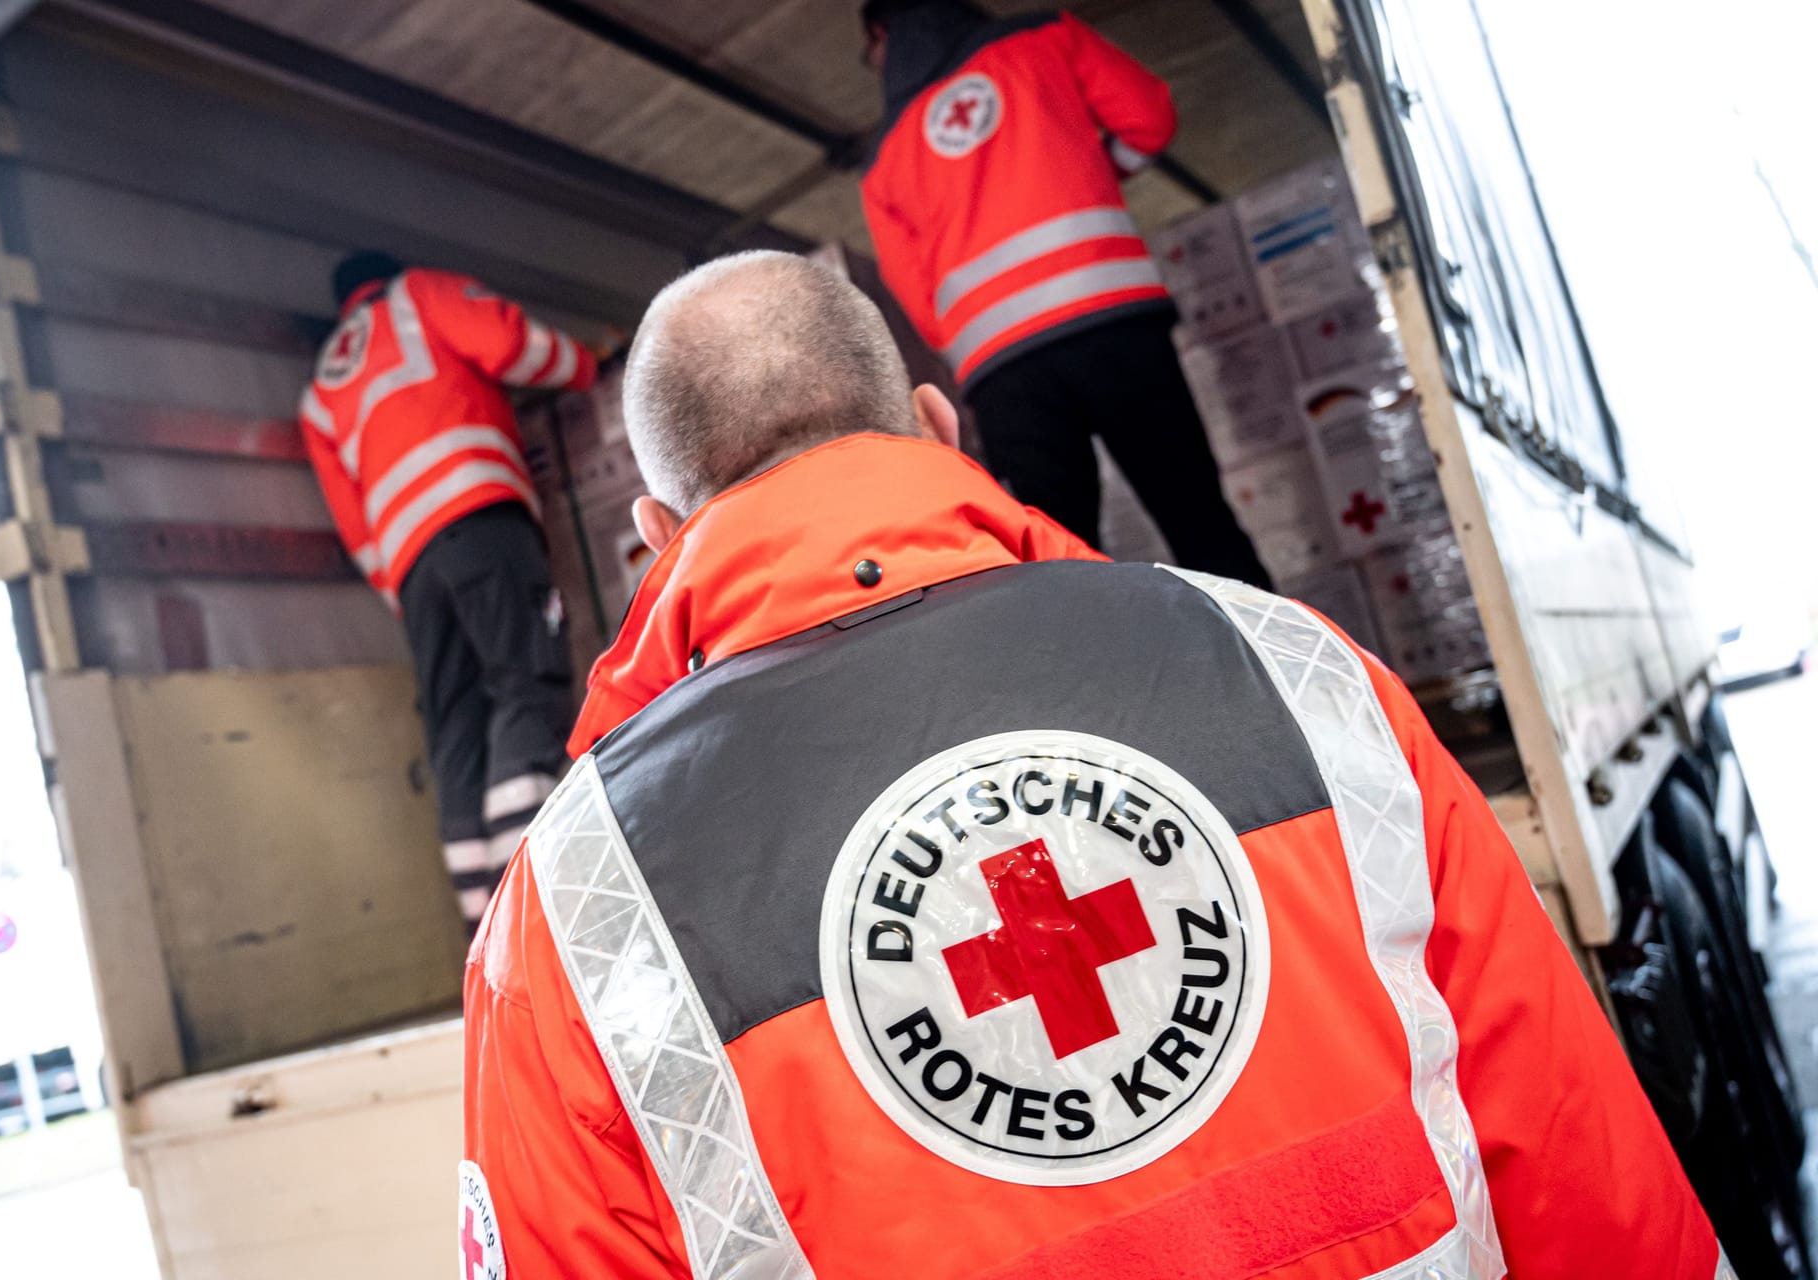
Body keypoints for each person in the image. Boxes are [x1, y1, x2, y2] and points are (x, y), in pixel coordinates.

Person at [457, 252, 1728, 1279]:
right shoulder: (1284, 663)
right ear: (937, 426)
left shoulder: (571, 897)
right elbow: (1567, 1142)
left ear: (658, 534)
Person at [857, 0, 1270, 586]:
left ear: (881, 32)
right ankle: (1278, 673)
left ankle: (1102, 679)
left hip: (1004, 373)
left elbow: (920, 301)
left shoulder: (881, 162)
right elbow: (1149, 118)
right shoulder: (1043, 35)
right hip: (1114, 324)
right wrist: (1101, 169)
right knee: (1199, 518)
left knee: (1060, 562)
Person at [300, 252, 594, 934]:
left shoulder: (320, 390)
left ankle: (483, 923)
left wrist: (398, 585)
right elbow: (509, 342)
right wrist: (587, 364)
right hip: (478, 514)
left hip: (410, 570)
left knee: (456, 727)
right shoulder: (417, 295)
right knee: (525, 683)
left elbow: (351, 520)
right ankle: (533, 912)